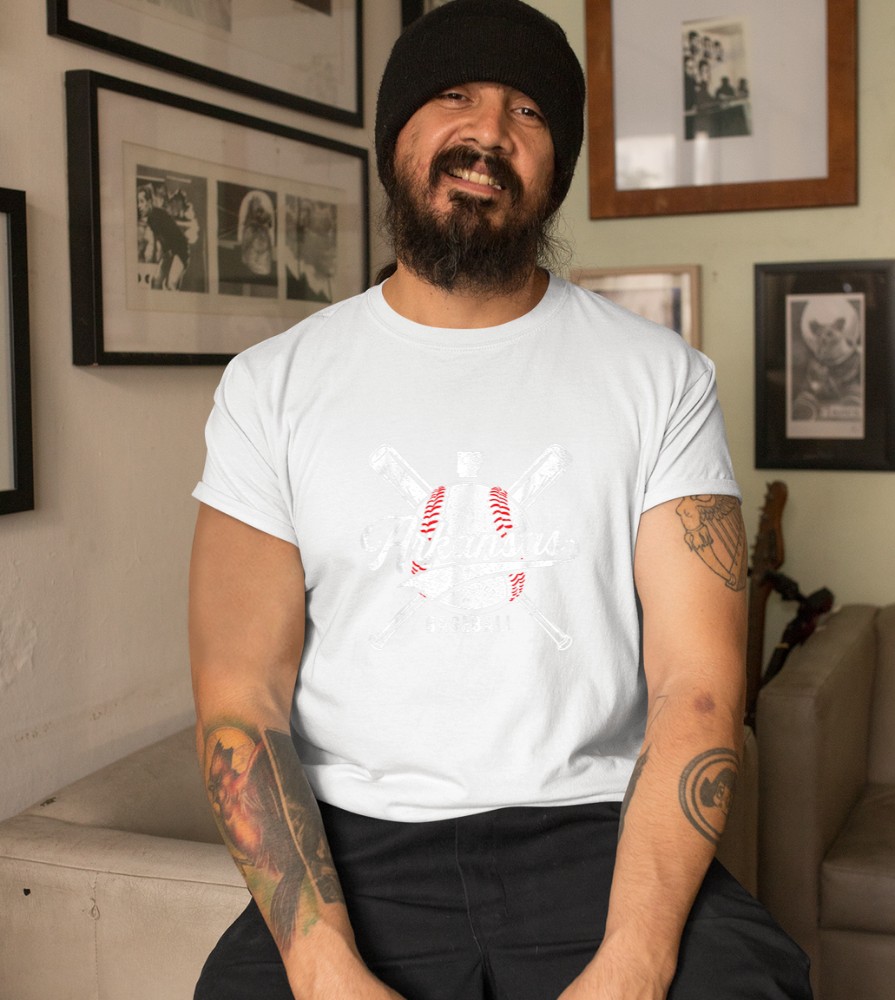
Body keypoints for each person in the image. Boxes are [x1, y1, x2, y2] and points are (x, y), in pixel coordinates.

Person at [188, 2, 813, 999]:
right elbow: (240, 697)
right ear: (395, 138)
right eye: (453, 97)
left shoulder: (661, 378)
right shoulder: (271, 387)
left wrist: (635, 960)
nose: (488, 132)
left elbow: (697, 686)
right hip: (356, 843)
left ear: (555, 168)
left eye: (527, 111)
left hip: (595, 830)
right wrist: (321, 967)